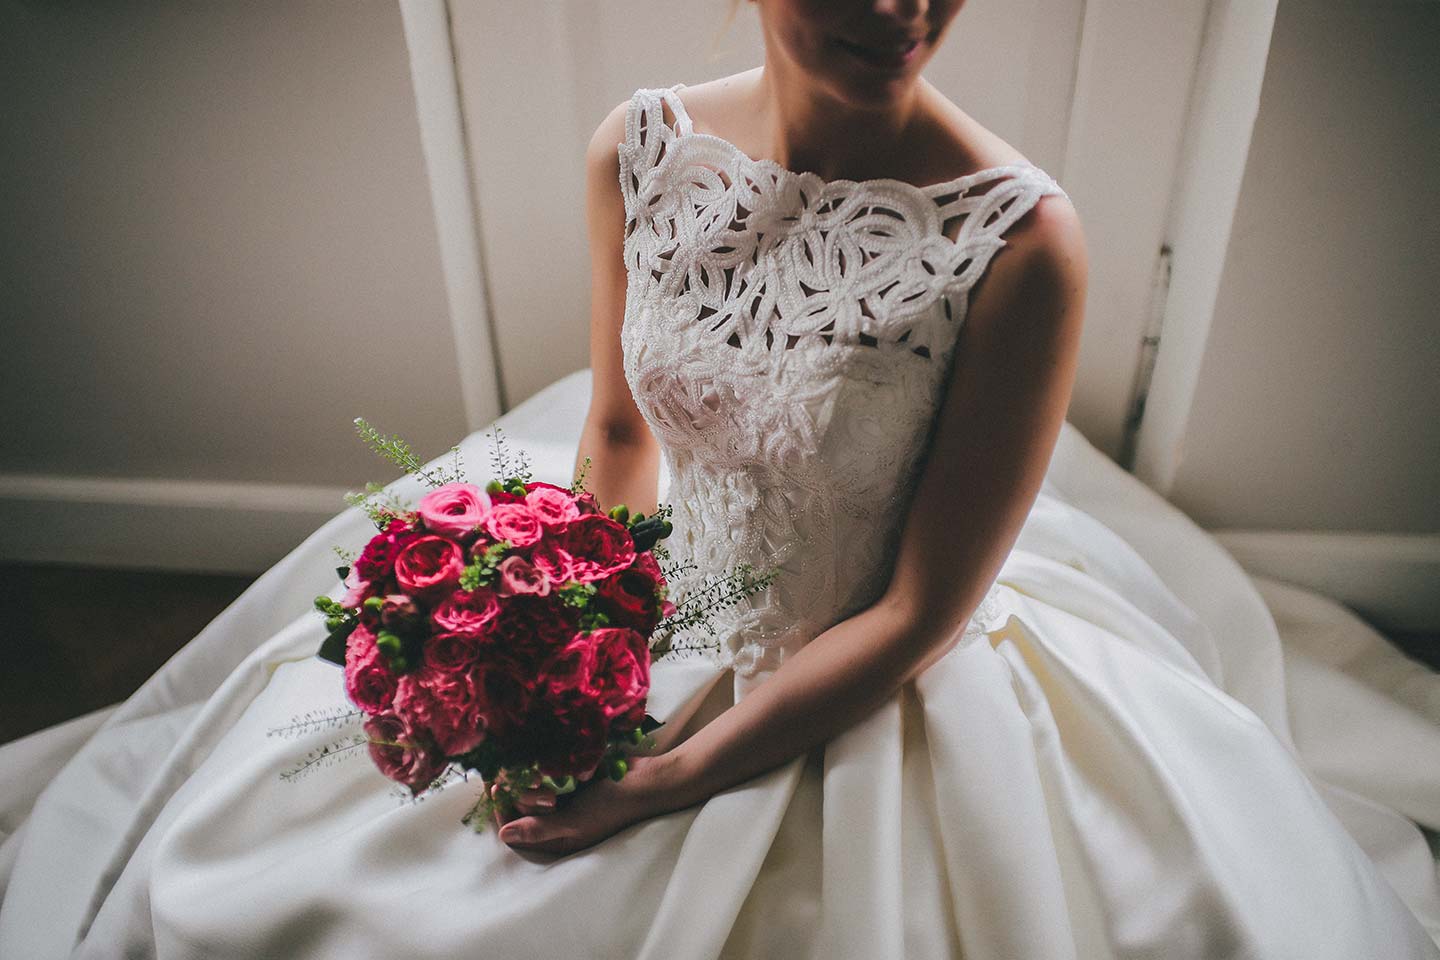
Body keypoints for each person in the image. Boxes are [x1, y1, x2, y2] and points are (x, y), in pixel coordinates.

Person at [2, 1, 1438, 957]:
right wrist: (561, 638)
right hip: (669, 596)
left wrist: (668, 779)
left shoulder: (1021, 241)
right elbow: (623, 437)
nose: (906, 5)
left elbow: (927, 608)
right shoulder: (640, 147)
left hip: (885, 653)